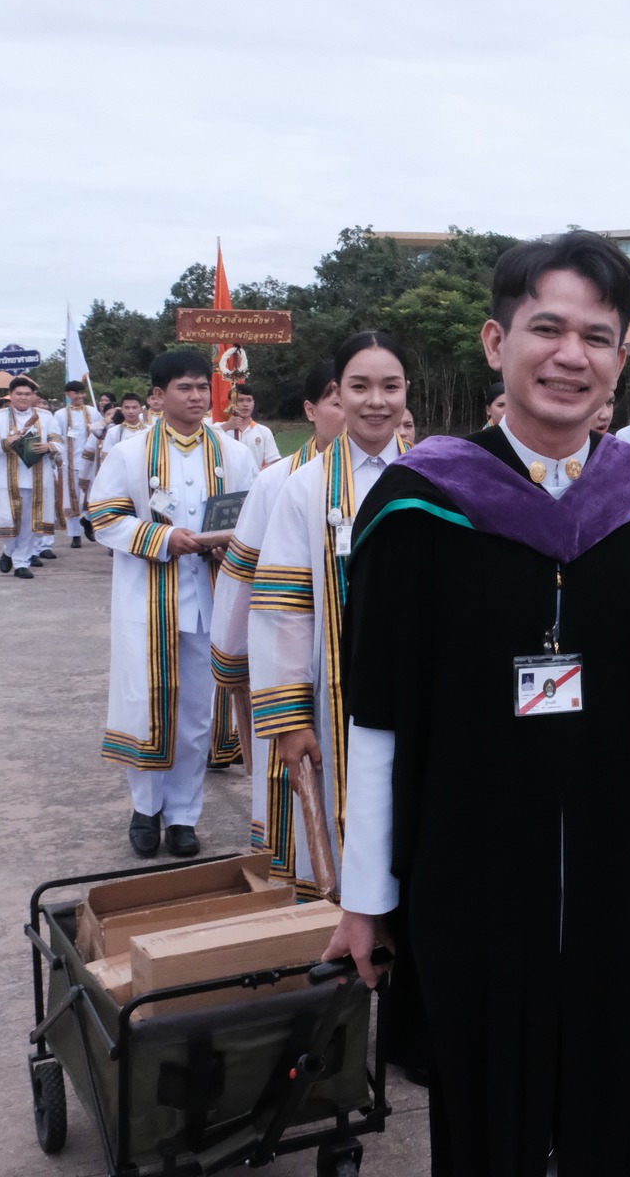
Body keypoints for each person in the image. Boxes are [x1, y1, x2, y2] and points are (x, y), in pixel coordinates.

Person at [327, 233, 630, 1170]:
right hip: (473, 878)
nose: (572, 356)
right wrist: (365, 898)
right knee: (489, 1126)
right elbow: (378, 715)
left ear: (620, 359)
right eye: (548, 329)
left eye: (597, 337)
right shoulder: (419, 508)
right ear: (498, 342)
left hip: (624, 878)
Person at [246, 335, 415, 896]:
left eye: (390, 386)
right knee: (349, 816)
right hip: (337, 692)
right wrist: (291, 720)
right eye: (359, 387)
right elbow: (283, 611)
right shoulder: (306, 487)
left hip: (418, 686)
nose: (376, 402)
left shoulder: (434, 476)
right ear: (338, 394)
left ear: (406, 392)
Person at [85, 350, 256, 857]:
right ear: (158, 396)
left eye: (203, 387)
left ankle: (184, 815)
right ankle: (146, 808)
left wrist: (230, 545)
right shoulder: (130, 454)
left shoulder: (233, 454)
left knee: (197, 713)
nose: (197, 397)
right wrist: (162, 538)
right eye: (185, 387)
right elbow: (103, 518)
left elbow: (250, 516)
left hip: (209, 599)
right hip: (149, 601)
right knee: (148, 703)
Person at [211, 361, 343, 870]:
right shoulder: (278, 482)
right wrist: (233, 660)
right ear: (311, 410)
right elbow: (243, 576)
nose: (355, 409)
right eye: (338, 398)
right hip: (298, 665)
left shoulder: (410, 476)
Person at [0, 375, 64, 579]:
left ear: (33, 396)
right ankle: (8, 551)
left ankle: (21, 562)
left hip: (38, 479)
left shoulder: (45, 417)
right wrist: (6, 442)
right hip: (8, 479)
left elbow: (59, 442)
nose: (23, 398)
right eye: (19, 394)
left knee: (29, 523)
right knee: (9, 519)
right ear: (11, 395)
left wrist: (48, 446)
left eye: (27, 394)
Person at [57, 381, 104, 545]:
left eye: (81, 393)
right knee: (72, 498)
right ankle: (75, 535)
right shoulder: (60, 415)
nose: (80, 396)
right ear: (68, 394)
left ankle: (88, 520)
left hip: (90, 463)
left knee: (93, 496)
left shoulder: (92, 412)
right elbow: (57, 437)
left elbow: (101, 432)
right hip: (70, 463)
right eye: (75, 393)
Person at [223, 383, 283, 469]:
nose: (245, 404)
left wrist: (256, 474)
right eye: (240, 400)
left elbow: (273, 461)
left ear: (254, 402)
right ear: (231, 403)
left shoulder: (263, 431)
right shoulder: (221, 430)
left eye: (249, 400)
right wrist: (226, 427)